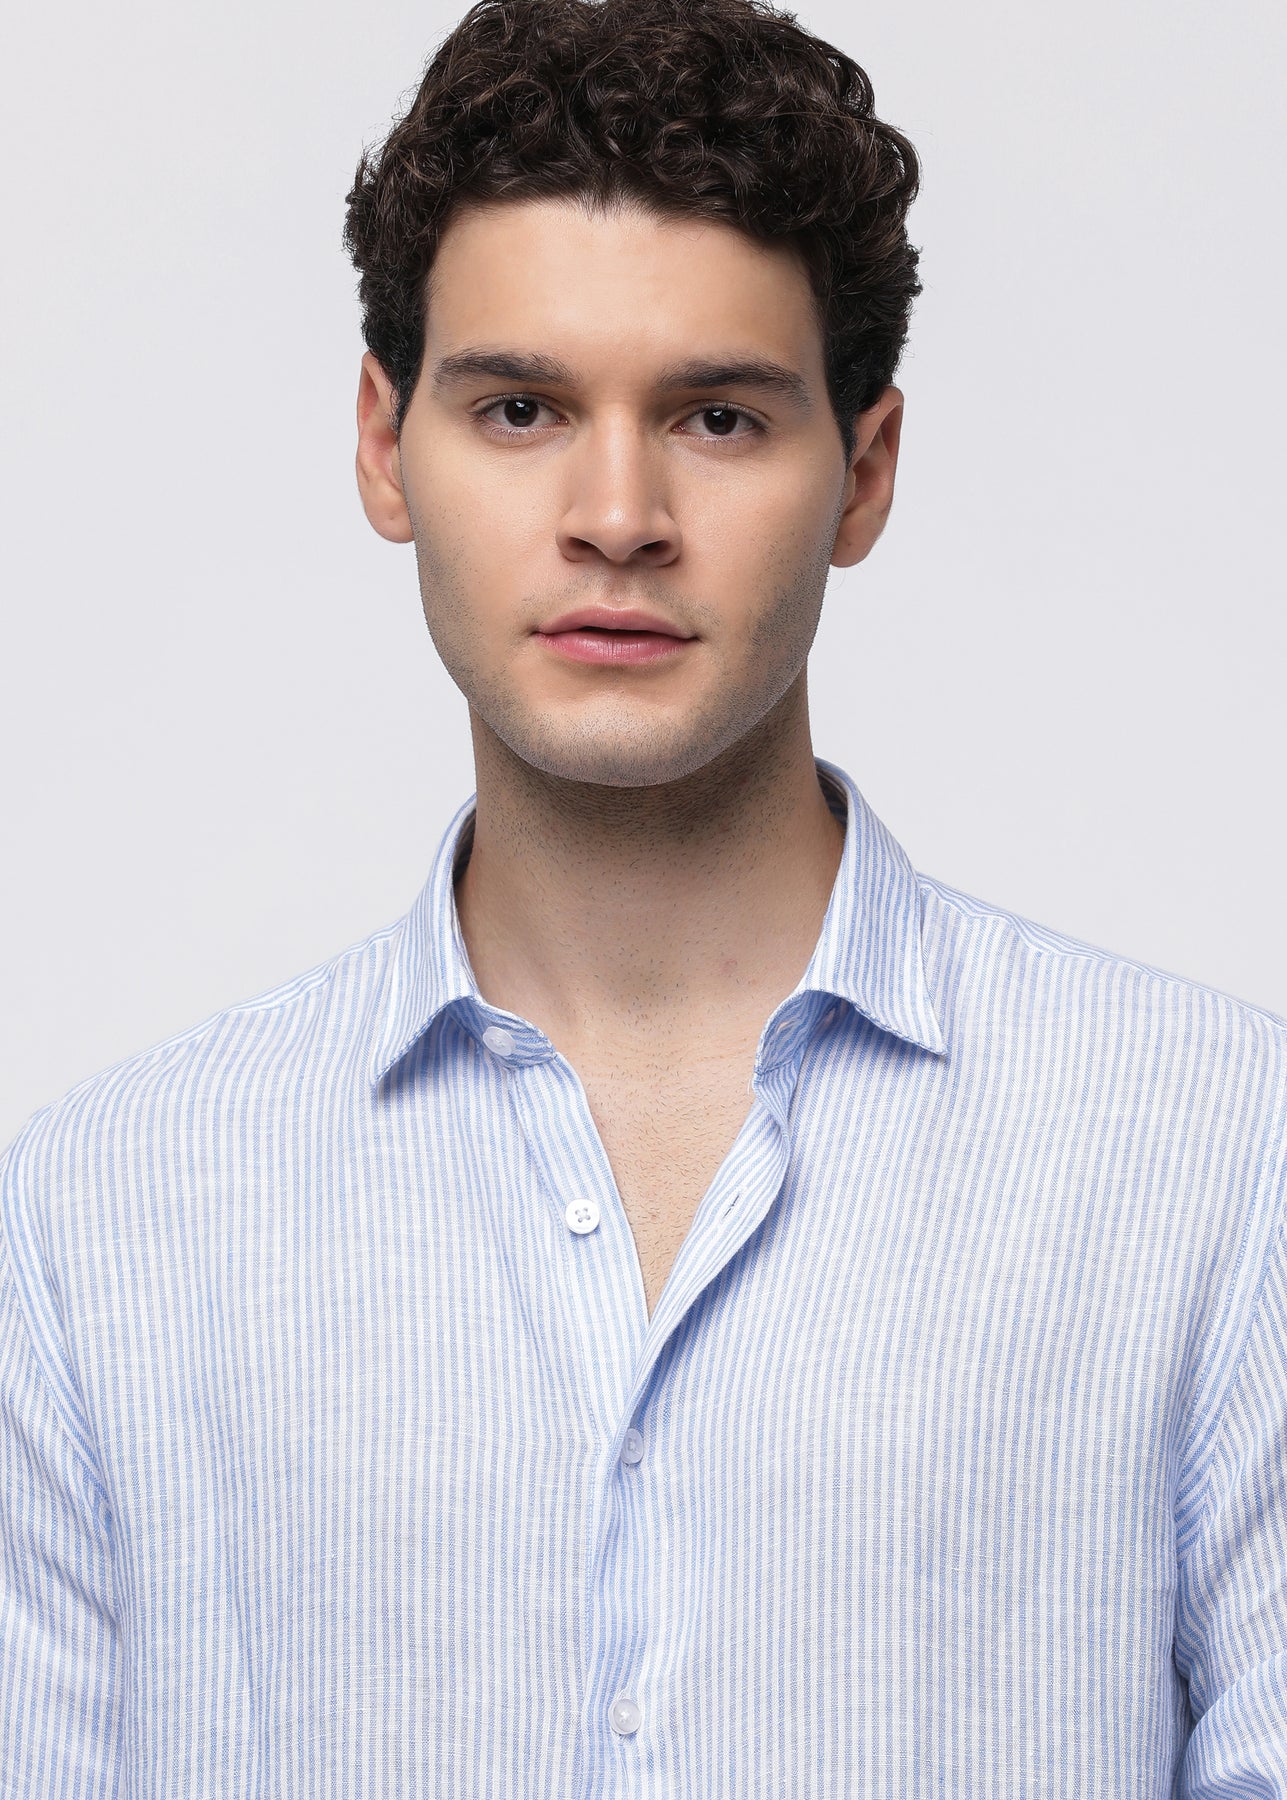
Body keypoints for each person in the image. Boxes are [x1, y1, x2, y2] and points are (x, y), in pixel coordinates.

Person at [2, 0, 1284, 1791]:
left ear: (866, 474)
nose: (618, 513)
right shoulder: (101, 1225)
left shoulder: (1223, 1165)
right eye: (521, 408)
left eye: (719, 417)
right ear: (384, 445)